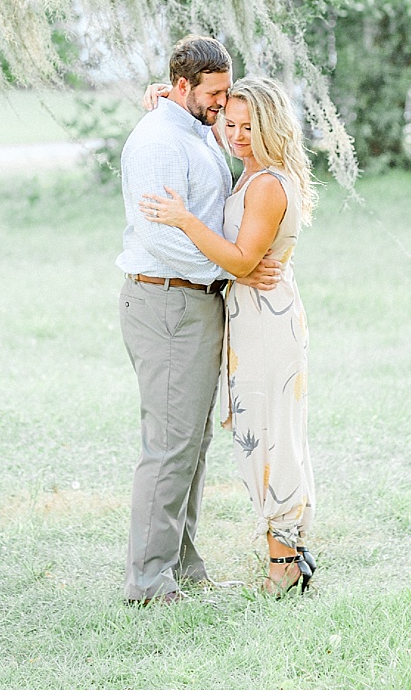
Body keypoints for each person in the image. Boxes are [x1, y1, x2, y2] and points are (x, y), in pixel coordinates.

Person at [115, 35, 281, 605]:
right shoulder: (161, 141)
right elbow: (162, 239)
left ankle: (183, 566)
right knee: (169, 444)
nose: (223, 102)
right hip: (168, 301)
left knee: (190, 440)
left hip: (196, 302)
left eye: (226, 90)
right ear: (183, 87)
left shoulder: (189, 124)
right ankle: (147, 580)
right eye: (213, 93)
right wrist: (234, 269)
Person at [139, 75, 319, 596]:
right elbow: (199, 115)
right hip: (254, 315)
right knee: (262, 432)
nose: (236, 134)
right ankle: (289, 551)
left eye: (249, 126)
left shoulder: (265, 185)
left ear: (272, 125)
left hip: (265, 321)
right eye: (232, 123)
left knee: (269, 436)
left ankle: (285, 564)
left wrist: (183, 220)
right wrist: (160, 97)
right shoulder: (255, 172)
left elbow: (242, 259)